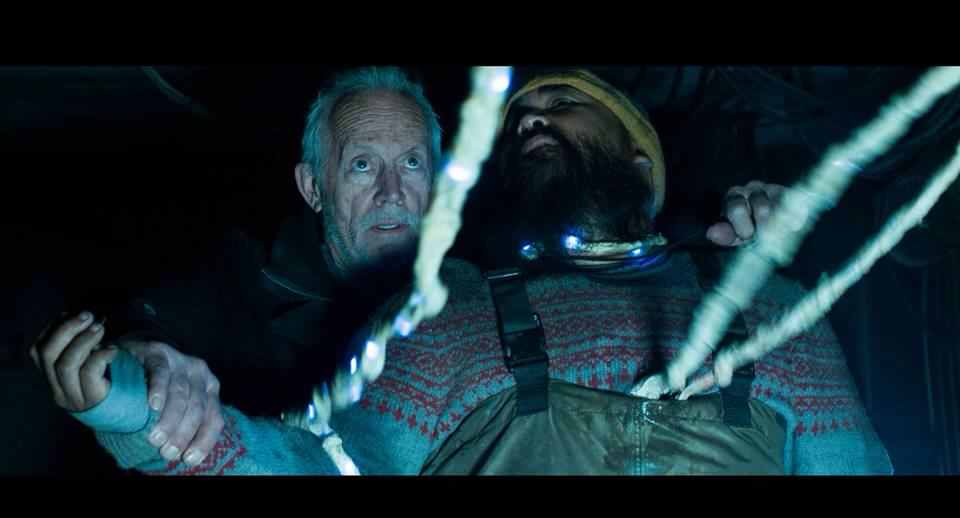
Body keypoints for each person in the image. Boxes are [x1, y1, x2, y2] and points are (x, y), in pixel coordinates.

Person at [42, 68, 889, 475]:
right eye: (519, 119)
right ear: (312, 186)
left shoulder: (772, 310)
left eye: (562, 106)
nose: (530, 122)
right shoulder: (451, 318)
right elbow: (317, 468)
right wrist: (145, 410)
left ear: (641, 157)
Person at [29, 66, 442, 468]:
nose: (392, 192)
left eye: (411, 163)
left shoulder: (467, 286)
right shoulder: (245, 280)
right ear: (313, 188)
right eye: (363, 165)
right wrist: (143, 359)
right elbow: (148, 315)